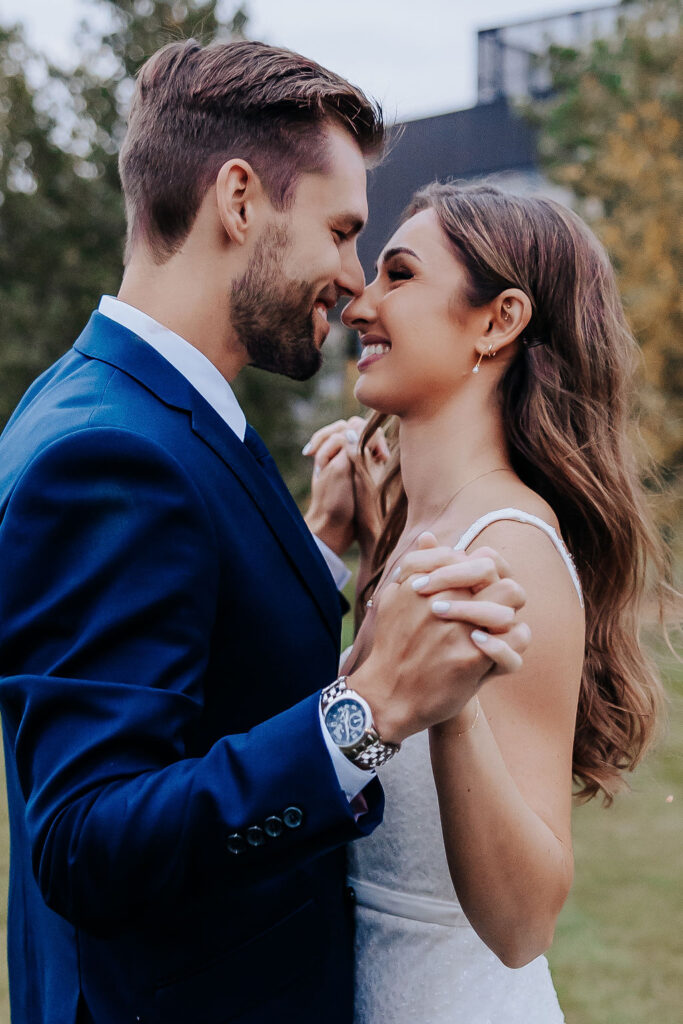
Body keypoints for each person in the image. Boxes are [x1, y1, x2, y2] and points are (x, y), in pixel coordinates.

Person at [0, 44, 530, 1024]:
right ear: (238, 200)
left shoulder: (129, 406)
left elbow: (199, 652)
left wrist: (317, 552)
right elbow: (84, 838)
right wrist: (362, 713)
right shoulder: (114, 454)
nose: (351, 277)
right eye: (338, 231)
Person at [303, 182, 668, 1023]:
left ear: (497, 321)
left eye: (399, 274)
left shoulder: (507, 553)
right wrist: (340, 551)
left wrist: (451, 711)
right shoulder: (410, 535)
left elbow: (522, 923)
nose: (361, 302)